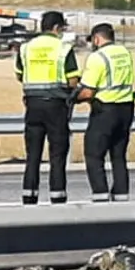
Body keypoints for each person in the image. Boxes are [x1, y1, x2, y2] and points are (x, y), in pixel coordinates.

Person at [14, 11, 80, 204]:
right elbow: (72, 79)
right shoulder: (63, 48)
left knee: (32, 155)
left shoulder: (26, 48)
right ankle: (57, 197)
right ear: (57, 28)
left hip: (33, 105)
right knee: (57, 155)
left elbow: (20, 75)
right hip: (56, 106)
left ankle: (29, 196)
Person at [75, 22, 135, 203]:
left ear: (97, 38)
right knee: (118, 156)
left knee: (94, 154)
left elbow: (88, 92)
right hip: (126, 108)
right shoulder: (125, 53)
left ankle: (100, 196)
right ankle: (121, 196)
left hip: (105, 110)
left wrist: (73, 98)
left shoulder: (97, 57)